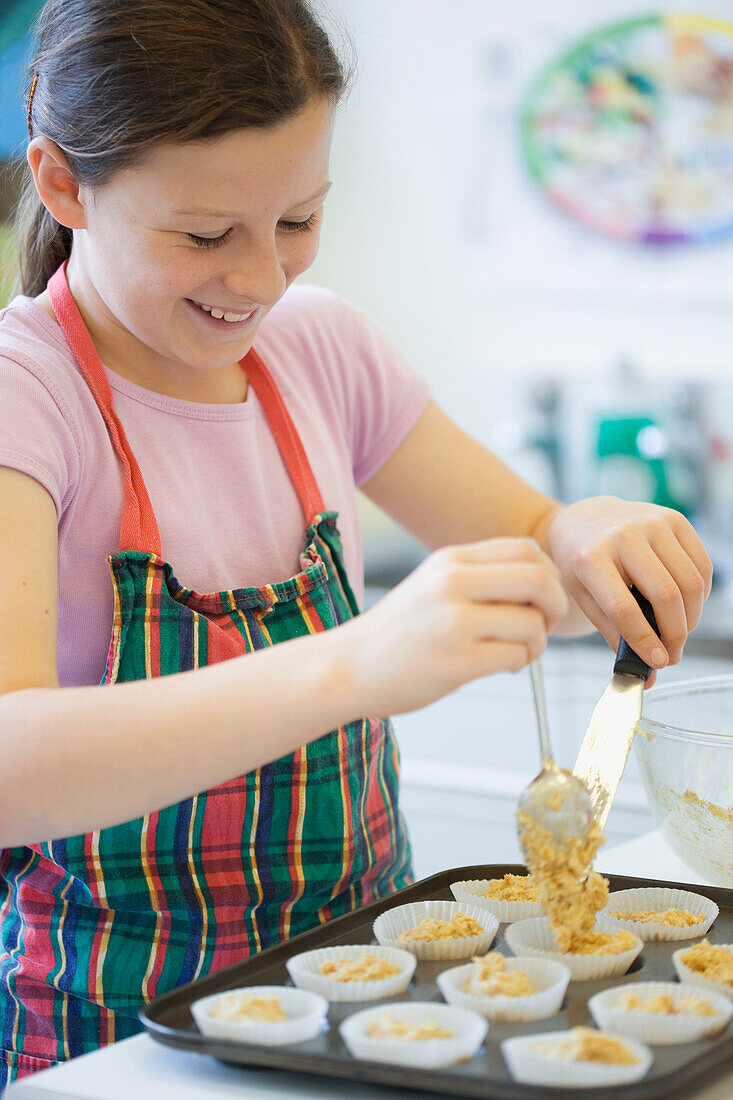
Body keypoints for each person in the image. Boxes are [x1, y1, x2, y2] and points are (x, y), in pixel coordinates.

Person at [0, 0, 712, 1087]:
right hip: (120, 1031)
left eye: (296, 220)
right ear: (61, 184)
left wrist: (588, 535)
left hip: (378, 999)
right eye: (202, 234)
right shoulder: (27, 397)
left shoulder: (319, 349)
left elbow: (536, 555)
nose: (258, 280)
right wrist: (354, 662)